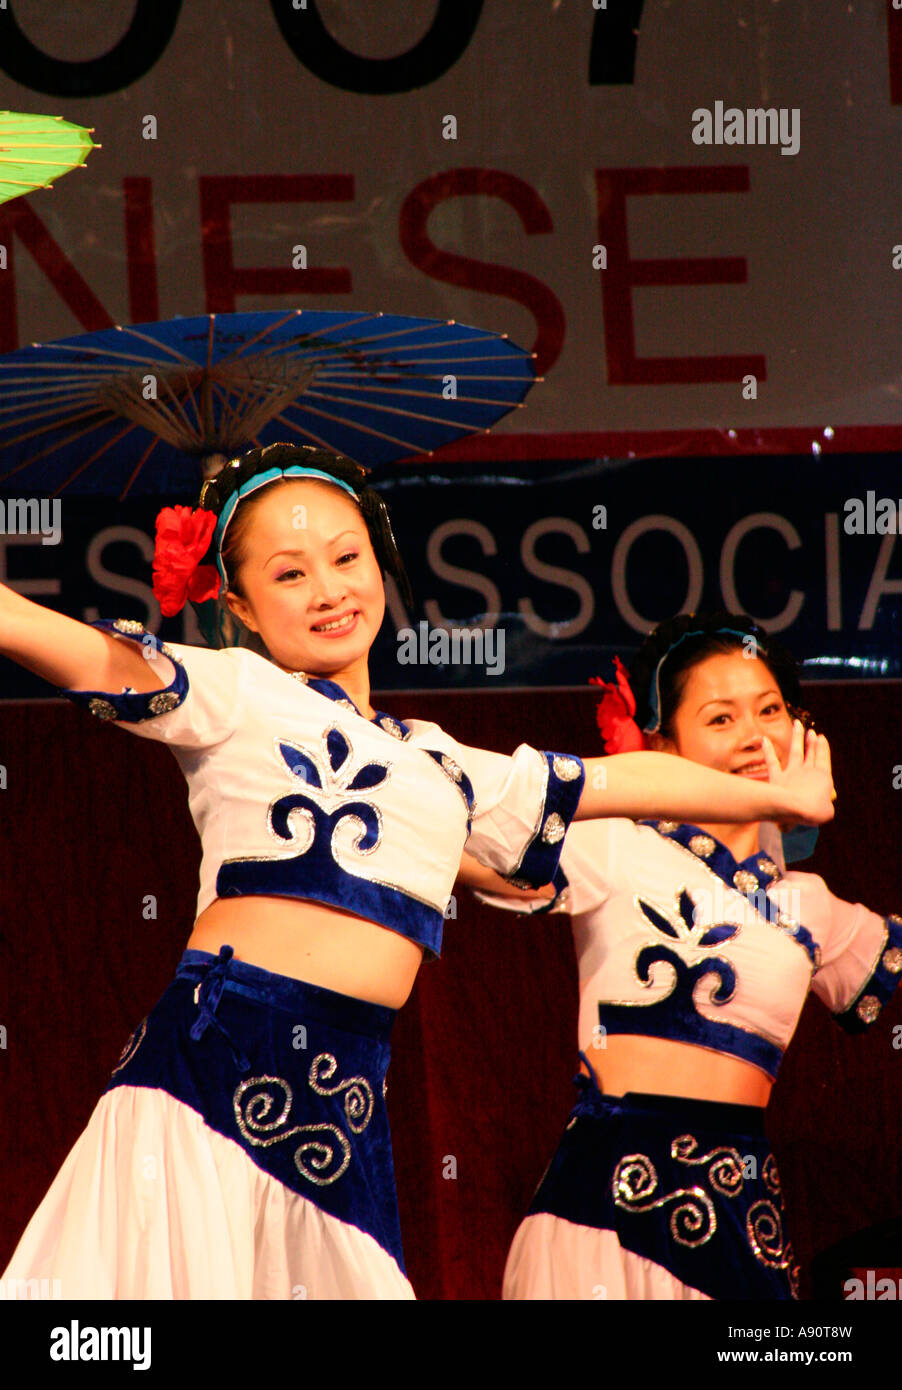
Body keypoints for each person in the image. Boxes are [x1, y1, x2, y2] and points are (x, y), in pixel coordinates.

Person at [1, 454, 834, 1300]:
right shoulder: (235, 691)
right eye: (289, 572)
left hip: (345, 1115)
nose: (328, 589)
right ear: (241, 604)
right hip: (209, 1074)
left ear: (383, 566)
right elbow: (68, 648)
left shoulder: (439, 761)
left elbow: (620, 783)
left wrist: (781, 795)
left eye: (346, 557)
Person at [459, 613, 900, 1300]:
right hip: (605, 1216)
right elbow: (466, 851)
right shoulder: (614, 845)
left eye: (771, 710)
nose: (755, 735)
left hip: (743, 1218)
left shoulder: (811, 904)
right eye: (721, 719)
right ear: (660, 743)